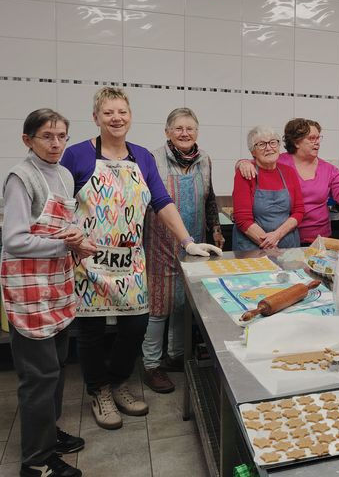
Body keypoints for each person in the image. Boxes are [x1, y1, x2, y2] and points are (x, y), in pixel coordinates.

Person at [60, 87, 221, 431]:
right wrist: (69, 235)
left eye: (122, 112)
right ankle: (99, 390)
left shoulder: (142, 158)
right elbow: (58, 204)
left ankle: (119, 381)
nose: (116, 118)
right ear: (96, 118)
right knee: (91, 331)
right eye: (108, 113)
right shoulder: (76, 156)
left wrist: (188, 242)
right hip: (89, 260)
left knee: (135, 325)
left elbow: (161, 201)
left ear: (130, 116)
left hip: (131, 260)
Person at [2, 109, 95, 477]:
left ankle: (48, 435)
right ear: (28, 140)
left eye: (61, 136)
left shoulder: (63, 174)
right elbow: (15, 239)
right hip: (28, 293)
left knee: (55, 370)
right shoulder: (20, 177)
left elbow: (64, 225)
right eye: (47, 136)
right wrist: (63, 246)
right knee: (38, 378)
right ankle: (36, 462)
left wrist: (78, 239)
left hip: (56, 288)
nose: (56, 143)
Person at [141, 108, 224, 394]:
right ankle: (151, 364)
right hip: (159, 242)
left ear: (197, 132)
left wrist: (215, 228)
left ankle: (176, 355)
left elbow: (210, 199)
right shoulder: (151, 159)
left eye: (190, 128)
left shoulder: (205, 160)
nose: (184, 133)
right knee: (159, 303)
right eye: (178, 128)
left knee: (184, 301)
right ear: (167, 132)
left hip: (196, 243)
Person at [235, 118, 339, 244]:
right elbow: (257, 162)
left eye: (318, 138)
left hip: (319, 239)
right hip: (286, 238)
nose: (317, 142)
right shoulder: (278, 161)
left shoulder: (329, 169)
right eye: (312, 138)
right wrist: (242, 162)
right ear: (296, 142)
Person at [232, 126, 304, 250]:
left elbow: (299, 211)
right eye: (261, 144)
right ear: (253, 151)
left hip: (287, 247)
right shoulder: (246, 173)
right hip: (253, 248)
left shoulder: (289, 172)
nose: (269, 148)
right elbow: (242, 219)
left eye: (273, 142)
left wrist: (277, 235)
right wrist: (269, 243)